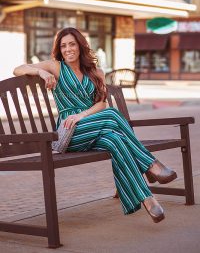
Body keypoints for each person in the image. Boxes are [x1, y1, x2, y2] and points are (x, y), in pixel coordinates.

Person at [13, 27, 177, 223]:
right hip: (69, 133)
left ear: (81, 46)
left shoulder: (96, 72)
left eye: (72, 44)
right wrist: (40, 71)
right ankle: (151, 165)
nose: (68, 49)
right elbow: (18, 69)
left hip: (89, 124)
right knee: (112, 116)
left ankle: (147, 199)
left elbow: (102, 103)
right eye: (63, 46)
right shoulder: (56, 67)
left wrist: (81, 115)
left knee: (115, 139)